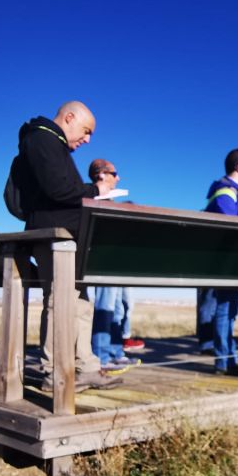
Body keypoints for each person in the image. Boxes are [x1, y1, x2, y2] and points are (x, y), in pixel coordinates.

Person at [8, 101, 121, 392]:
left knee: (81, 303)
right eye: (86, 131)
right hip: (54, 236)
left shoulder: (52, 143)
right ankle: (54, 372)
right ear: (69, 117)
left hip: (70, 235)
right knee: (60, 301)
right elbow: (58, 189)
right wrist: (96, 190)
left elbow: (59, 188)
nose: (88, 140)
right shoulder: (42, 138)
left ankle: (86, 367)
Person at [202, 148, 238, 376]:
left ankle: (229, 359)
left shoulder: (232, 192)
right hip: (227, 262)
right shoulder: (226, 192)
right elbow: (232, 228)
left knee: (230, 311)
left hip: (232, 262)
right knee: (225, 311)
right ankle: (224, 363)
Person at [87, 159, 141, 374]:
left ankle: (116, 352)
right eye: (114, 173)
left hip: (116, 263)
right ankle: (101, 355)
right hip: (103, 263)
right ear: (101, 175)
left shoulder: (110, 200)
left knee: (118, 307)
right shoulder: (96, 199)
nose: (118, 178)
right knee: (105, 307)